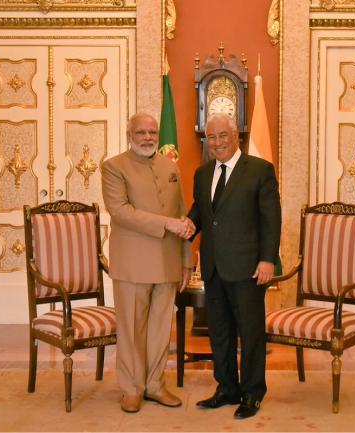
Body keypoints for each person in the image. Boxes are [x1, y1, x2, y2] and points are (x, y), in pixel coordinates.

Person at [187, 113, 281, 419]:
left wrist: (267, 259)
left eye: (223, 135)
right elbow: (202, 211)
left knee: (250, 334)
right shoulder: (202, 173)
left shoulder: (260, 170)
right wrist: (188, 225)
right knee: (220, 333)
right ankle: (227, 388)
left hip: (248, 267)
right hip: (214, 267)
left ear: (236, 135)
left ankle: (252, 393)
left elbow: (271, 219)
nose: (217, 143)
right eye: (211, 137)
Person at [101, 112, 194, 413]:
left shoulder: (170, 166)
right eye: (141, 132)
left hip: (167, 262)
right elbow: (120, 211)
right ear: (129, 135)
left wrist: (187, 260)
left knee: (159, 331)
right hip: (133, 263)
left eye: (152, 132)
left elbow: (181, 214)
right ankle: (132, 389)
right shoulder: (114, 167)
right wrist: (167, 223)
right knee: (131, 330)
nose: (148, 138)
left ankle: (155, 385)